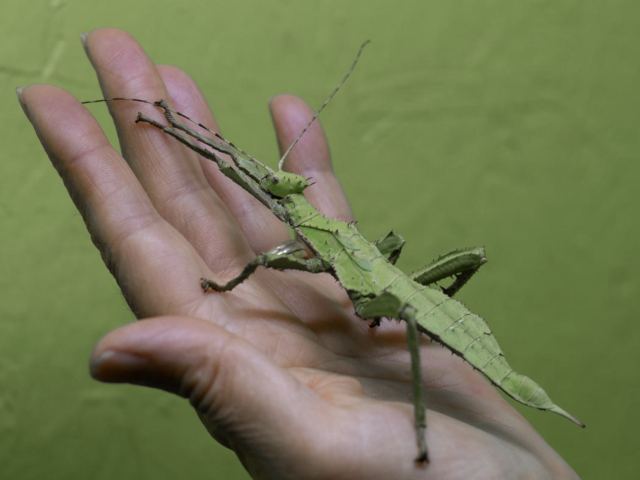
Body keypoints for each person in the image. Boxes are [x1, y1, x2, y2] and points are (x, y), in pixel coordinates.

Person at [17, 28, 579, 479]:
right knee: (411, 279)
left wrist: (226, 286)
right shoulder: (317, 226)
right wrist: (171, 126)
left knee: (325, 272)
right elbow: (235, 167)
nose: (274, 190)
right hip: (397, 293)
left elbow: (251, 216)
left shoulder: (316, 242)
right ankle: (414, 316)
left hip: (410, 305)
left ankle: (426, 427)